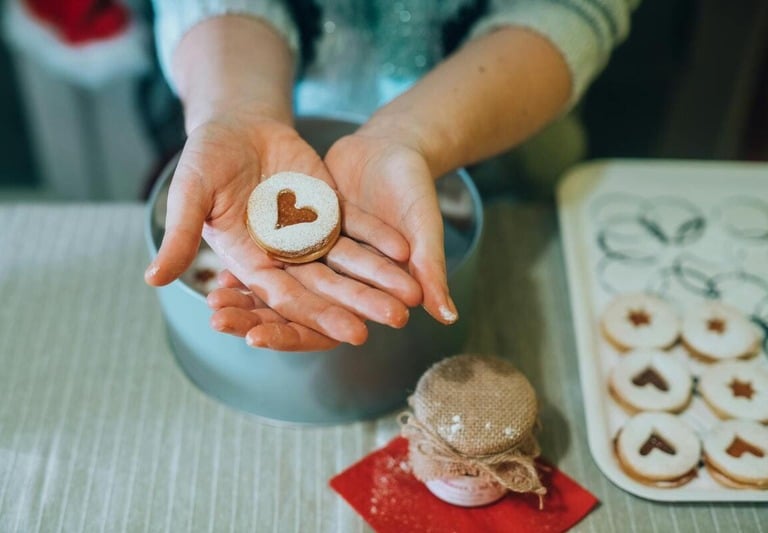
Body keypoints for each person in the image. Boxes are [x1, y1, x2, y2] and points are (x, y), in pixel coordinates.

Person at [145, 0, 638, 351]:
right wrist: (235, 108)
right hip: (267, 109)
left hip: (503, 148)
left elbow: (570, 10)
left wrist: (409, 135)